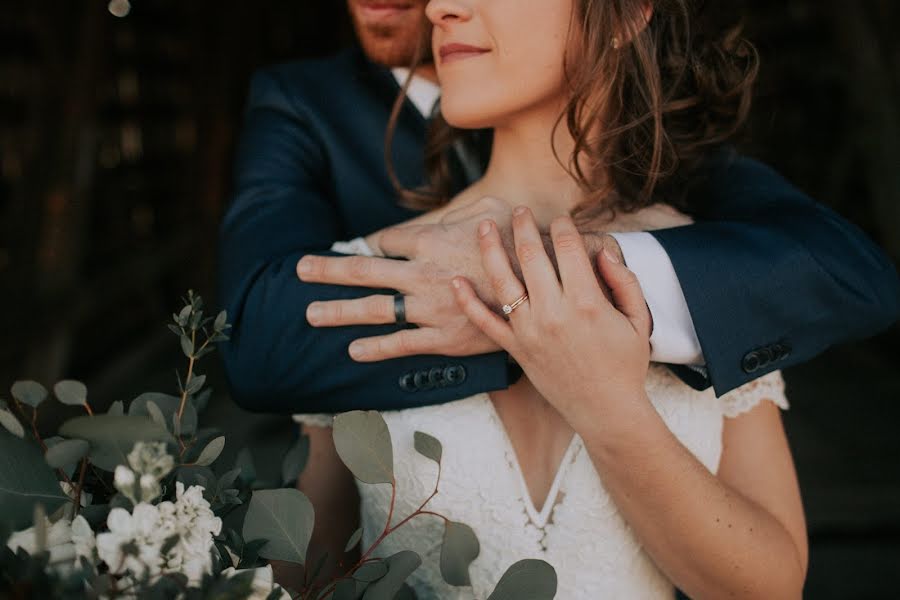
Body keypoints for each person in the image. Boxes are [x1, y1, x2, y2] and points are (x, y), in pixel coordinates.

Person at [291, 0, 819, 596]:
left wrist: (604, 404)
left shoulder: (712, 273)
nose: (438, 8)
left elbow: (772, 587)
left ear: (625, 15)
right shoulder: (364, 277)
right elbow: (307, 566)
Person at [218, 0, 900, 417]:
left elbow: (843, 271)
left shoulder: (648, 146)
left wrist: (541, 276)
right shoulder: (300, 103)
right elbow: (252, 336)